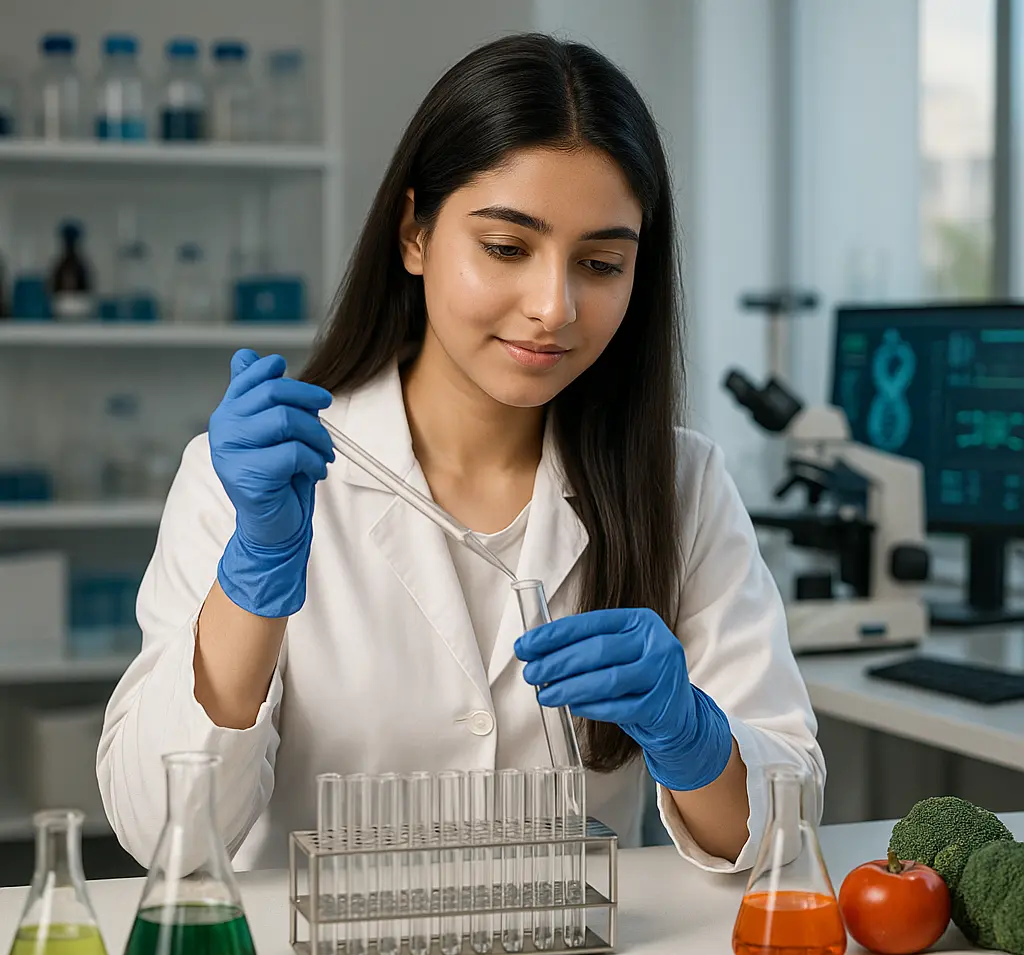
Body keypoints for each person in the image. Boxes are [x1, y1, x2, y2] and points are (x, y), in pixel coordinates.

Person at [97, 32, 824, 874]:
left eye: (599, 262)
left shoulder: (681, 484)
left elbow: (784, 834)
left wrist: (694, 735)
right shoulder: (260, 478)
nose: (555, 307)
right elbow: (162, 835)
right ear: (415, 232)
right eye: (507, 248)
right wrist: (252, 575)